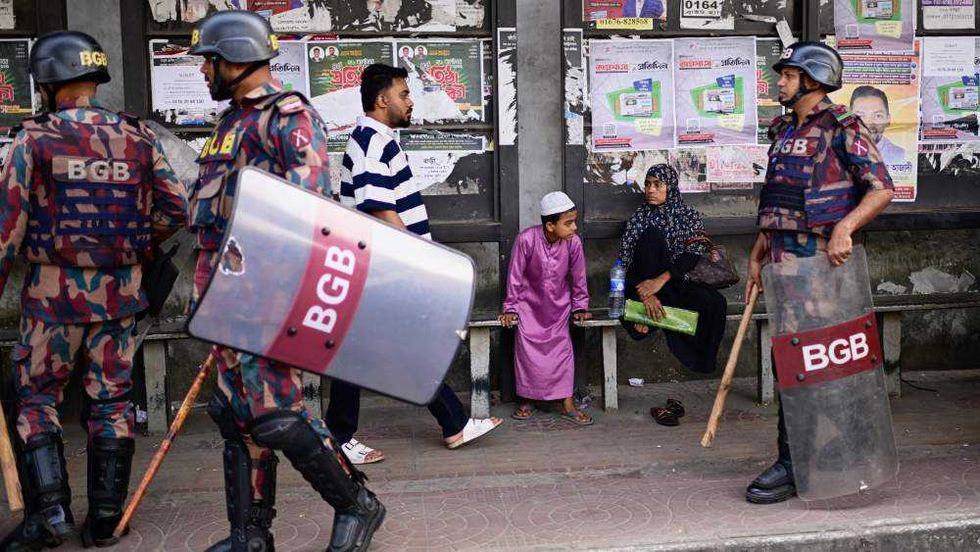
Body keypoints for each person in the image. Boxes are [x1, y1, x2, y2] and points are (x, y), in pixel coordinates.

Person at [188, 11, 384, 552]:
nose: (202, 71)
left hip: (265, 300)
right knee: (235, 416)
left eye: (208, 60)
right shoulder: (231, 123)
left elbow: (311, 219)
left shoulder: (289, 118)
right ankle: (250, 535)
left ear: (234, 57)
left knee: (277, 415)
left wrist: (286, 304)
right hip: (225, 303)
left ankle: (357, 504)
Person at [0, 31, 187, 549]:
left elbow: (6, 230)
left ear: (47, 81)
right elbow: (176, 208)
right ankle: (105, 519)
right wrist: (129, 246)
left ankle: (49, 515)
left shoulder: (33, 139)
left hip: (52, 300)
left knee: (36, 398)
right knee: (112, 401)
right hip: (121, 297)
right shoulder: (138, 136)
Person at [331, 63, 502, 464]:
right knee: (374, 349)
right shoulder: (371, 141)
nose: (410, 102)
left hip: (382, 265)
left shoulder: (379, 139)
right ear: (382, 100)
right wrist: (415, 260)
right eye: (404, 94)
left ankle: (453, 424)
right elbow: (378, 208)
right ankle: (341, 436)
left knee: (393, 346)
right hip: (382, 266)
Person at [746, 42, 894, 504]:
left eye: (788, 75)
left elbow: (881, 188)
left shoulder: (842, 126)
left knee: (824, 361)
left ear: (812, 80)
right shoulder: (782, 129)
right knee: (789, 361)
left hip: (821, 269)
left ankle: (820, 454)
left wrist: (845, 228)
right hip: (781, 266)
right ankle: (799, 457)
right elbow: (779, 199)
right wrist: (756, 254)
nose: (780, 82)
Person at [617, 164, 727, 426]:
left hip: (674, 283)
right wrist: (647, 295)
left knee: (715, 302)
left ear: (671, 187)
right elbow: (625, 264)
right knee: (651, 238)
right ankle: (650, 311)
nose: (651, 190)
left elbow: (691, 257)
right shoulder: (639, 218)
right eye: (648, 184)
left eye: (658, 184)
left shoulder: (688, 216)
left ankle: (700, 361)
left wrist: (660, 281)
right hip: (642, 285)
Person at [498, 192, 593, 426]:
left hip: (559, 308)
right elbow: (515, 277)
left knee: (563, 353)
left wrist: (580, 306)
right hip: (528, 308)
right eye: (568, 223)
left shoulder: (573, 243)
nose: (574, 228)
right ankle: (527, 399)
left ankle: (567, 403)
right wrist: (510, 308)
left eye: (574, 222)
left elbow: (579, 278)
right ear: (550, 225)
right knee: (526, 352)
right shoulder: (526, 240)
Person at [849, 85, 906, 167]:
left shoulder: (900, 156)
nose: (868, 124)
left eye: (878, 116)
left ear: (888, 119)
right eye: (860, 116)